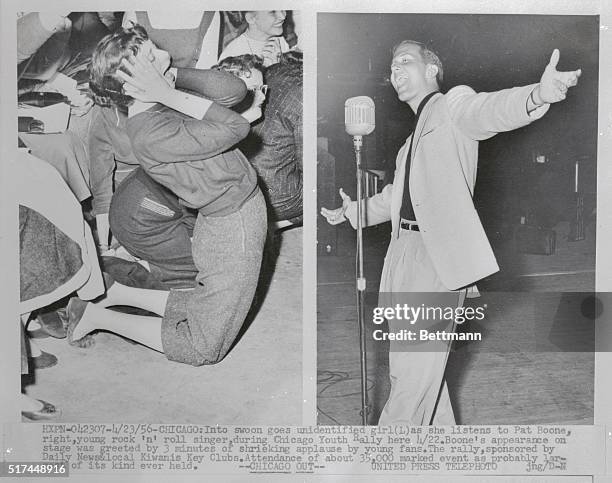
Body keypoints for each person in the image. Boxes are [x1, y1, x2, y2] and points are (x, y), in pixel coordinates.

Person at [321, 40, 581, 425]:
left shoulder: (452, 105)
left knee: (411, 379)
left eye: (406, 61)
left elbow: (486, 110)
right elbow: (397, 197)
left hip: (433, 257)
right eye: (391, 66)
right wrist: (352, 211)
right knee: (422, 375)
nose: (395, 70)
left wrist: (537, 94)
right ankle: (445, 461)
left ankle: (384, 466)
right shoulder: (411, 141)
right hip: (402, 252)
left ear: (431, 70)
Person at [69, 25, 267, 366]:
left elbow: (235, 90)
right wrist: (167, 92)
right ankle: (99, 318)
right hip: (231, 223)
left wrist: (169, 77)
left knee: (209, 304)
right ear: (132, 85)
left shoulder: (162, 98)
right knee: (203, 348)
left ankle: (117, 293)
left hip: (236, 210)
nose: (163, 54)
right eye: (151, 57)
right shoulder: (150, 132)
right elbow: (237, 127)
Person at [219, 11, 290, 67]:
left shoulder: (280, 41)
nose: (283, 16)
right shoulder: (233, 53)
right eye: (273, 12)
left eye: (282, 9)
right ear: (251, 18)